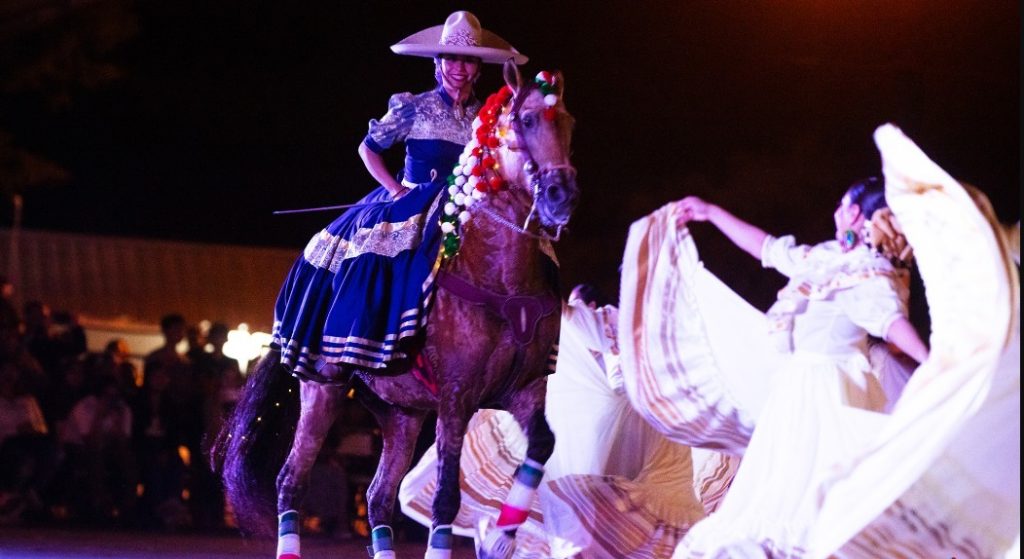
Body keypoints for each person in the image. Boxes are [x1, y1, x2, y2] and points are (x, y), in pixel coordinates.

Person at [666, 176, 929, 557]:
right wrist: (710, 212)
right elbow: (767, 248)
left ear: (853, 212)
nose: (836, 211)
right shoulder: (827, 257)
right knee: (785, 502)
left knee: (811, 509)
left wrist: (932, 364)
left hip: (829, 397)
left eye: (842, 205)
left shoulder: (866, 268)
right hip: (797, 393)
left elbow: (890, 321)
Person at [269, 10, 527, 384]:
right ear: (438, 63)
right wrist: (395, 189)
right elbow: (368, 149)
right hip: (414, 203)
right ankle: (357, 345)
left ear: (477, 68)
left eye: (468, 61)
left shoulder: (487, 116)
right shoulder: (414, 106)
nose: (459, 68)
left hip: (465, 206)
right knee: (388, 259)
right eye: (451, 58)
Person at [399, 284, 710, 558]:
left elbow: (614, 373)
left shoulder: (610, 332)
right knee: (568, 512)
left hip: (635, 450)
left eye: (579, 306)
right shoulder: (588, 351)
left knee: (581, 510)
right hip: (605, 448)